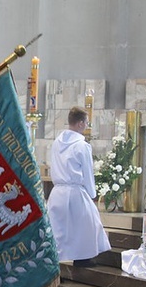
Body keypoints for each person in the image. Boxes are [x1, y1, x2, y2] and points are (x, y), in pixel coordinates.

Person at [47, 107, 110, 266]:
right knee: (88, 224)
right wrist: (92, 194)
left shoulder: (56, 142)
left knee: (58, 230)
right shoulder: (82, 145)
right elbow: (87, 172)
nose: (87, 126)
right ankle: (82, 258)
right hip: (75, 191)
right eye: (87, 123)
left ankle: (54, 264)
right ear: (81, 123)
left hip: (57, 192)